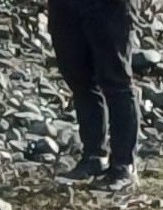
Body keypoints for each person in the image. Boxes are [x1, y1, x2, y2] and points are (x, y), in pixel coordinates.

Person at [49, 0, 140, 191]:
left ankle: (123, 166)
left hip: (109, 6)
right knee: (78, 79)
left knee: (116, 81)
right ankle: (93, 157)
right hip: (65, 6)